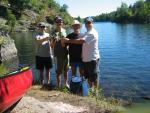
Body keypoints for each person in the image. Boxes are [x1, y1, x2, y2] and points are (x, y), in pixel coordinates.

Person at [61, 17, 100, 91]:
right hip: (76, 59)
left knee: (88, 76)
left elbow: (81, 41)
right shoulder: (84, 33)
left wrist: (68, 40)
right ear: (72, 27)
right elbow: (64, 45)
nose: (75, 26)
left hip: (84, 59)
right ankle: (75, 88)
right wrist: (62, 41)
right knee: (80, 75)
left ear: (79, 26)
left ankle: (88, 90)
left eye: (89, 23)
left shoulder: (87, 34)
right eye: (74, 25)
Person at [51, 17, 69, 88]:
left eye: (60, 22)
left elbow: (67, 42)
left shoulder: (64, 31)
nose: (59, 23)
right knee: (58, 72)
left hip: (66, 54)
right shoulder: (53, 32)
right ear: (55, 23)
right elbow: (52, 46)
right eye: (58, 22)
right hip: (58, 55)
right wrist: (54, 41)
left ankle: (66, 84)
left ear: (62, 23)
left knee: (66, 70)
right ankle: (58, 86)